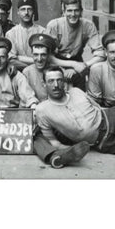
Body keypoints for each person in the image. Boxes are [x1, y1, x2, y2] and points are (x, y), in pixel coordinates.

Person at [23, 33, 89, 168]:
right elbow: (25, 98)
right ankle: (57, 155)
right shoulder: (26, 72)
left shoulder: (59, 73)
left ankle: (65, 149)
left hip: (60, 120)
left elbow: (70, 98)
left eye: (43, 54)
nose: (39, 59)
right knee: (35, 136)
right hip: (40, 121)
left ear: (49, 55)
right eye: (36, 55)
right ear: (31, 55)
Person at [45, 0, 106, 91]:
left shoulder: (88, 25)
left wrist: (83, 65)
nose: (73, 14)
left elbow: (101, 54)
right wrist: (73, 65)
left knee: (80, 93)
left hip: (78, 61)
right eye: (69, 11)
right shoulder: (54, 25)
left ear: (81, 11)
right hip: (57, 62)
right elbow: (48, 56)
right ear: (64, 12)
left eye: (76, 10)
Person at [5, 0, 46, 71]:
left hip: (40, 71)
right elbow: (11, 59)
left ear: (33, 11)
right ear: (18, 12)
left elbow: (45, 58)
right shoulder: (11, 33)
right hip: (18, 72)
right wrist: (30, 68)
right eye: (23, 9)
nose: (26, 13)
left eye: (29, 9)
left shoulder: (42, 31)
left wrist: (19, 58)